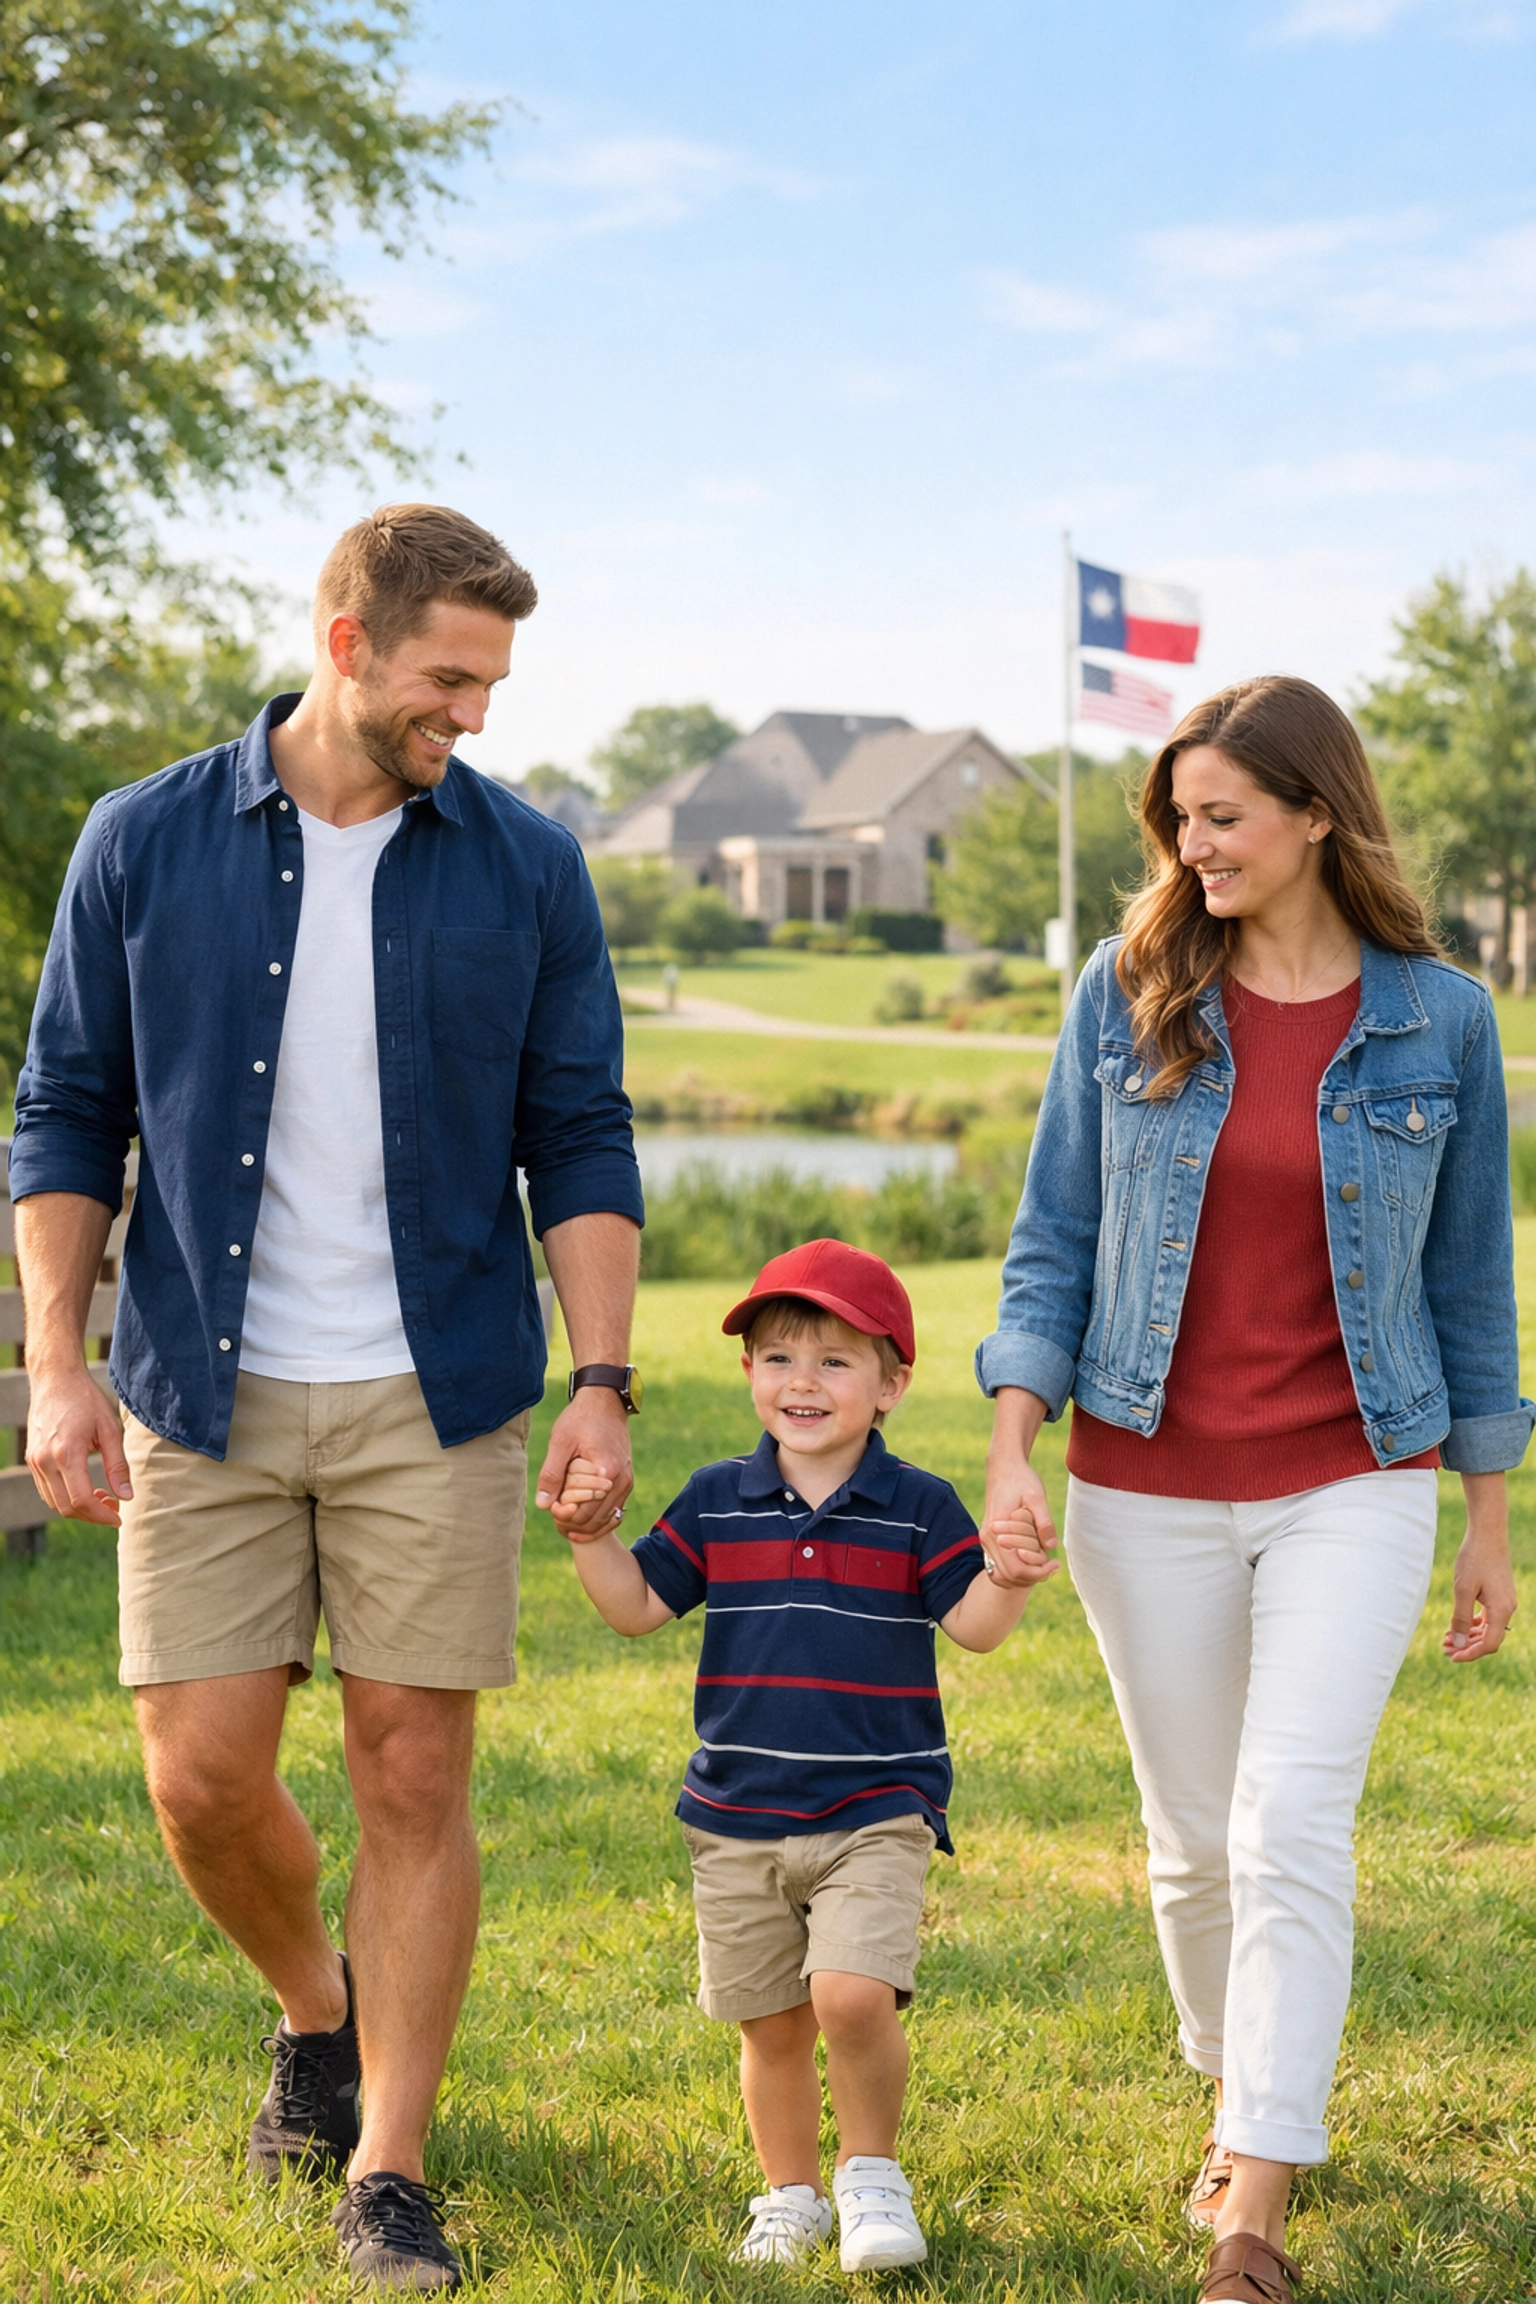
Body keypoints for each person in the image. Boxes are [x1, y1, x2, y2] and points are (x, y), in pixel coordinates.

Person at [10, 503, 645, 2295]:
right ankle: (318, 2001)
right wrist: (58, 1361)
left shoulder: (524, 863)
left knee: (410, 1764)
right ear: (345, 636)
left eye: (494, 679)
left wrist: (601, 1376)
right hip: (199, 1379)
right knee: (201, 1776)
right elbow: (65, 1110)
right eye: (450, 674)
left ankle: (388, 2159)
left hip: (432, 1389)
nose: (477, 712)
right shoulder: (144, 838)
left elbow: (579, 1131)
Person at [976, 676, 1530, 2304]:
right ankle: (1236, 2075)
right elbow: (1054, 1237)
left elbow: (1472, 1274)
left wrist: (1488, 1511)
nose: (1193, 843)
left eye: (1222, 814)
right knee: (1190, 1842)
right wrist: (1013, 1435)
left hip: (1357, 1470)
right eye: (1180, 818)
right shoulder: (1127, 986)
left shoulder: (1442, 1016)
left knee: (1288, 1816)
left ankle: (1255, 2200)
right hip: (1140, 1478)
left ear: (1312, 813)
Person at [554, 1239, 1050, 2274]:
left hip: (876, 1806)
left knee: (852, 1995)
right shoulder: (715, 1498)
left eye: (835, 1360)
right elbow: (639, 1607)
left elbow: (975, 1625)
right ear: (748, 1375)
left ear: (892, 1383)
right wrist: (586, 1535)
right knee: (772, 2024)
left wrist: (1007, 1573)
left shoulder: (920, 1506)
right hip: (736, 1816)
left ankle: (873, 2178)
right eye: (778, 1358)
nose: (803, 1382)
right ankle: (789, 2196)